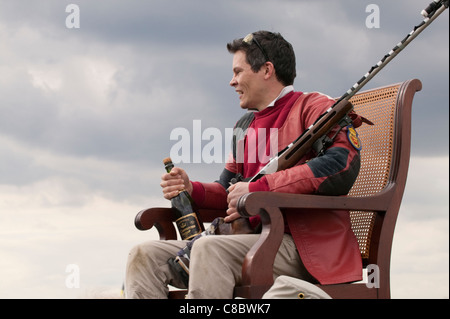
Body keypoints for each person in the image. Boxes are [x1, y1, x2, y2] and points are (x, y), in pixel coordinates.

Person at [125, 31, 365, 299]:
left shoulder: (317, 107)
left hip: (307, 249)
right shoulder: (244, 126)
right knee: (143, 255)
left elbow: (341, 166)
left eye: (238, 72)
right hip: (252, 241)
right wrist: (192, 188)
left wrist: (260, 187)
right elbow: (228, 190)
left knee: (208, 248)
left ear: (266, 70)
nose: (232, 81)